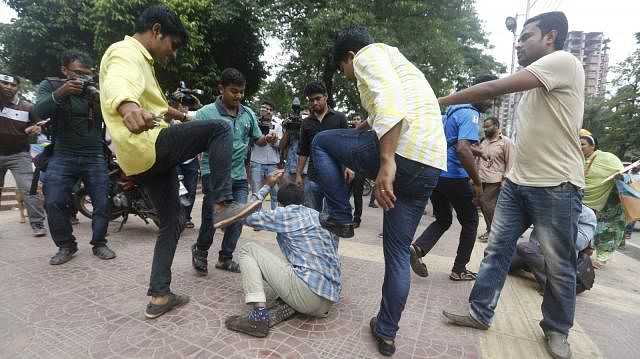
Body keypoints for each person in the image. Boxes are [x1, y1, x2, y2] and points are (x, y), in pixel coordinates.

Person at [99, 5, 260, 319]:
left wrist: (184, 115)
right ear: (157, 30)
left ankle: (159, 295)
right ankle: (223, 204)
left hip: (140, 161)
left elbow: (160, 108)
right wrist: (128, 107)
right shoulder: (125, 52)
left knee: (172, 221)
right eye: (172, 45)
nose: (172, 55)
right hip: (149, 145)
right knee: (220, 128)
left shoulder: (144, 64)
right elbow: (119, 83)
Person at [440, 12, 584, 359]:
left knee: (558, 264)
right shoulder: (534, 86)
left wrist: (439, 101)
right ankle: (480, 312)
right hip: (518, 184)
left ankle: (556, 330)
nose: (519, 43)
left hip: (557, 185)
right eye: (518, 38)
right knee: (495, 251)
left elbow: (492, 88)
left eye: (526, 36)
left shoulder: (563, 62)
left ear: (550, 37)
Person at [315, 27, 446, 356]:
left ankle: (342, 216)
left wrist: (386, 162)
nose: (348, 75)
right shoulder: (402, 64)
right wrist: (369, 123)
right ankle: (386, 332)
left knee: (321, 143)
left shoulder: (367, 55)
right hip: (430, 165)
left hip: (402, 153)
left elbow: (389, 103)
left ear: (349, 56)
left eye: (344, 69)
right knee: (399, 254)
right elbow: (399, 103)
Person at [225, 169, 341, 338]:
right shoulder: (319, 216)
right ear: (303, 201)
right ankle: (292, 302)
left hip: (308, 295)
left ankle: (258, 318)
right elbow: (334, 246)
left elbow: (244, 216)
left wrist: (267, 186)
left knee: (247, 250)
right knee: (293, 262)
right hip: (330, 298)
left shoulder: (285, 213)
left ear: (280, 204)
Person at [409, 75, 497, 281]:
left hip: (437, 174)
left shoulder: (451, 111)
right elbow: (462, 149)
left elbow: (453, 142)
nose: (491, 102)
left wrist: (479, 153)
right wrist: (476, 182)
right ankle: (459, 269)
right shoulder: (471, 114)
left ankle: (418, 248)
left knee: (443, 219)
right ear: (480, 91)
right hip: (455, 176)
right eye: (490, 97)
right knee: (471, 220)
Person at [35, 50, 113, 265]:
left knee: (102, 203)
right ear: (64, 70)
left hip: (95, 155)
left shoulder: (97, 91)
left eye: (88, 74)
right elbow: (39, 112)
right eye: (78, 74)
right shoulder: (51, 86)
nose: (84, 79)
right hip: (62, 154)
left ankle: (99, 243)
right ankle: (66, 245)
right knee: (53, 201)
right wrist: (62, 92)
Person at [191, 68, 266, 276]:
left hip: (239, 176)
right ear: (221, 89)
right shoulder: (205, 113)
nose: (239, 96)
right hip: (213, 174)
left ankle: (225, 258)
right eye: (234, 91)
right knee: (212, 216)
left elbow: (257, 139)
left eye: (242, 92)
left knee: (239, 217)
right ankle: (201, 251)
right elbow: (194, 141)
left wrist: (266, 140)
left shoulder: (248, 113)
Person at [0, 72, 47, 237]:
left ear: (17, 88)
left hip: (19, 155)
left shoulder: (27, 107)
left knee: (29, 189)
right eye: (5, 83)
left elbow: (39, 125)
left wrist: (37, 128)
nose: (9, 87)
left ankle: (38, 224)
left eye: (13, 85)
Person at [510, 204, 596, 292]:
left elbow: (579, 243)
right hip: (538, 251)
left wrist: (560, 219)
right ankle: (537, 269)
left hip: (561, 259)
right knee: (505, 263)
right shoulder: (546, 204)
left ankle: (554, 288)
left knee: (525, 248)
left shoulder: (587, 214)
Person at [296, 81, 348, 211]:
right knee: (313, 215)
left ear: (326, 96)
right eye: (311, 100)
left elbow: (347, 145)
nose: (315, 103)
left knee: (334, 217)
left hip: (336, 176)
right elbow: (303, 150)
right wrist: (298, 174)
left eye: (318, 99)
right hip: (313, 177)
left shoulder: (340, 118)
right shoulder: (306, 123)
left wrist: (350, 167)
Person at [580, 131, 624, 268]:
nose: (580, 147)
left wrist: (619, 177)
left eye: (583, 144)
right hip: (586, 200)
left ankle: (602, 259)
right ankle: (585, 250)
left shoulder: (607, 158)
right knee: (585, 225)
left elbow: (622, 172)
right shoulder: (579, 159)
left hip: (608, 203)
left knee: (606, 231)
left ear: (593, 146)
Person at [475, 117, 515, 242]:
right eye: (484, 127)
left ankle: (493, 233)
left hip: (495, 180)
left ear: (497, 125)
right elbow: (478, 159)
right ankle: (491, 230)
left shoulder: (506, 142)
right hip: (481, 178)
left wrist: (505, 180)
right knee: (482, 203)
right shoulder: (484, 141)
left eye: (488, 126)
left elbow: (511, 162)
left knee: (487, 204)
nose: (485, 129)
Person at [250, 101, 282, 210]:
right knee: (256, 191)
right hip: (256, 161)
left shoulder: (277, 126)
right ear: (261, 110)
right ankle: (257, 217)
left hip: (273, 163)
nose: (268, 111)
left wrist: (274, 141)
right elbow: (249, 142)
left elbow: (280, 145)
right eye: (266, 109)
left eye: (270, 110)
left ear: (273, 112)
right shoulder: (254, 124)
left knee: (275, 193)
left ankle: (274, 216)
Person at [280, 107, 308, 184]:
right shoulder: (291, 128)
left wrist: (302, 130)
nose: (303, 120)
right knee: (289, 195)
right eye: (301, 117)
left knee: (306, 196)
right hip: (290, 169)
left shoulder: (312, 129)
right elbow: (281, 146)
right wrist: (288, 129)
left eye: (306, 117)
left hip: (307, 170)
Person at [349, 113, 366, 226]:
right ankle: (345, 215)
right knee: (344, 193)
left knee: (357, 195)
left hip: (360, 169)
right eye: (354, 119)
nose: (356, 121)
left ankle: (357, 218)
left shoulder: (365, 134)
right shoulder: (348, 133)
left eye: (358, 119)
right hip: (348, 167)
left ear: (361, 121)